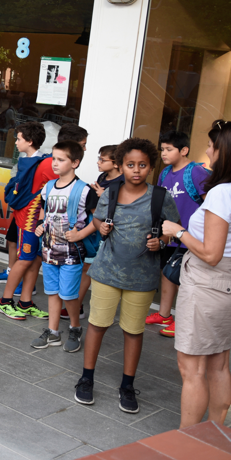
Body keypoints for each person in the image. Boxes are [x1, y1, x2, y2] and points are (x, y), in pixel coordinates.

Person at [160, 121, 231, 426]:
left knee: (193, 369)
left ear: (227, 153)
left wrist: (179, 232)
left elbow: (212, 254)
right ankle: (215, 434)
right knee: (218, 362)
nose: (207, 151)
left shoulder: (223, 193)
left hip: (210, 283)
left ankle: (188, 439)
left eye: (213, 146)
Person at [75, 138, 178, 414]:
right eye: (130, 165)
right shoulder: (112, 191)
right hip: (107, 271)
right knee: (97, 324)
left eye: (142, 165)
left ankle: (127, 385)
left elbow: (171, 230)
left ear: (150, 167)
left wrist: (162, 242)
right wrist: (102, 228)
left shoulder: (160, 197)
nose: (136, 170)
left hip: (142, 277)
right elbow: (97, 219)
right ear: (121, 166)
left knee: (133, 331)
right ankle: (86, 378)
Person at [29, 141, 93, 354]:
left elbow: (99, 219)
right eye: (53, 159)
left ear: (75, 162)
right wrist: (40, 226)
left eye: (60, 159)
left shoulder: (84, 190)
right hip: (49, 250)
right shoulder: (47, 187)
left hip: (71, 253)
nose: (54, 163)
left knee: (69, 294)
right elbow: (44, 212)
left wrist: (81, 234)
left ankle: (75, 327)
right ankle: (53, 331)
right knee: (52, 291)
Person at [146, 131, 210, 335]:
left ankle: (183, 321)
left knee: (185, 280)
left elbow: (211, 204)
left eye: (169, 149)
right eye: (162, 149)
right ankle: (164, 314)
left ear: (184, 150)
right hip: (169, 235)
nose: (164, 153)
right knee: (167, 273)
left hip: (190, 236)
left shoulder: (197, 172)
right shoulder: (165, 173)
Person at [0, 122, 56, 320]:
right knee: (25, 260)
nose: (15, 142)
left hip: (37, 220)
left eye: (19, 138)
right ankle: (4, 301)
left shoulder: (42, 162)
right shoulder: (39, 162)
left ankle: (25, 302)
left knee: (35, 260)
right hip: (29, 220)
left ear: (29, 141)